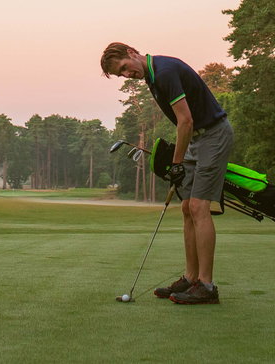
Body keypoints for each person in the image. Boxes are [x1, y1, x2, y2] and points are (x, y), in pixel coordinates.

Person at [100, 41, 234, 305]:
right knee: (186, 207)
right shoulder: (152, 76)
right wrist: (180, 162)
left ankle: (207, 286)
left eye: (125, 68)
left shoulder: (164, 71)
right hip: (198, 140)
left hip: (214, 135)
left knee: (198, 206)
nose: (127, 76)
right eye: (121, 75)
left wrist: (176, 164)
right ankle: (190, 277)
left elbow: (185, 120)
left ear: (132, 53)